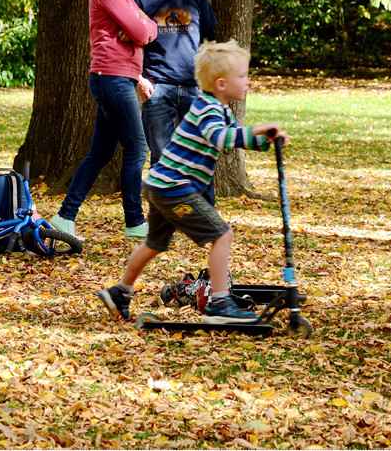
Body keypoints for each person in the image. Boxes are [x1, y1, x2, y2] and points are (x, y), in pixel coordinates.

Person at [98, 40, 289, 324]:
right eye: (242, 76)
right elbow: (220, 137)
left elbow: (234, 134)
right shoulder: (206, 108)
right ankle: (221, 305)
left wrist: (264, 141)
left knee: (154, 244)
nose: (247, 82)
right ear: (222, 84)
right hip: (176, 189)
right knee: (222, 235)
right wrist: (259, 128)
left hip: (162, 186)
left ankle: (120, 292)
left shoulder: (217, 108)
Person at [49, 0, 159, 240]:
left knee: (99, 152)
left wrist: (141, 27)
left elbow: (147, 28)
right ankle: (135, 223)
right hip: (111, 79)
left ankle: (64, 217)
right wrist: (138, 28)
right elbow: (140, 31)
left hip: (117, 77)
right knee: (137, 148)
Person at [133, 0, 218, 171]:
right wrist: (140, 80)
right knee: (162, 162)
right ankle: (163, 208)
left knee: (200, 159)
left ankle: (196, 207)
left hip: (194, 89)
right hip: (158, 89)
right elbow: (130, 45)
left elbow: (210, 42)